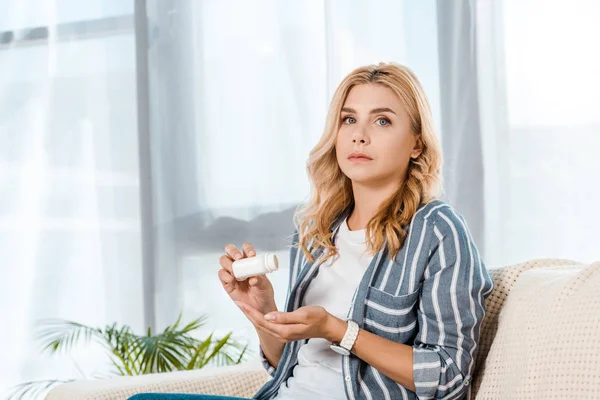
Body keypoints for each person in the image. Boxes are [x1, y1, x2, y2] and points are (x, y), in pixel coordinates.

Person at [130, 62, 494, 400]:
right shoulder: (317, 231)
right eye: (348, 120)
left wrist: (339, 330)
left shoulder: (437, 230)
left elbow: (449, 377)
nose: (359, 136)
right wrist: (263, 310)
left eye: (382, 121)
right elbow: (284, 363)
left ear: (417, 143)